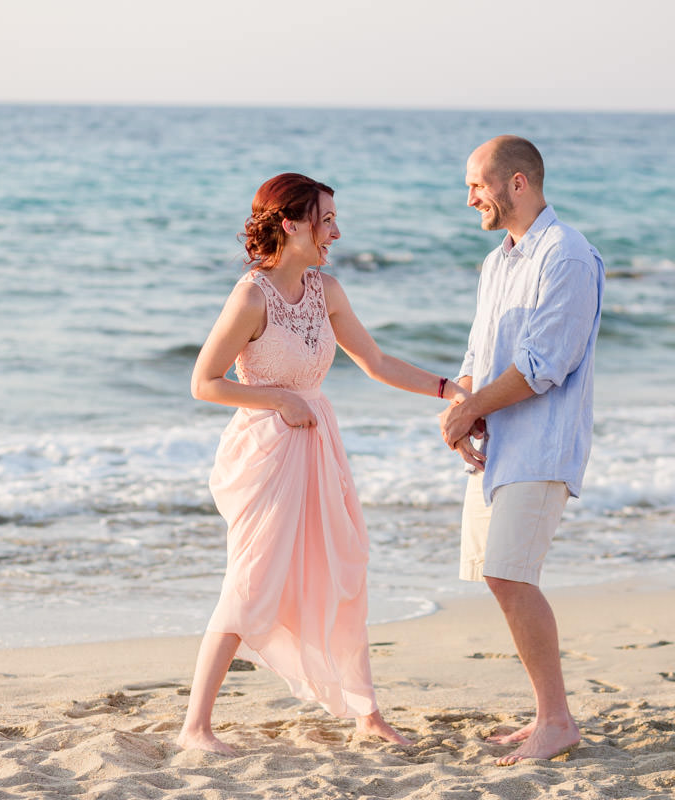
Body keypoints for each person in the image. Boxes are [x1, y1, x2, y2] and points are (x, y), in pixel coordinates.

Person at [179, 172, 468, 754]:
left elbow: (377, 361)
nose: (335, 230)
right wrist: (279, 398)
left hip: (318, 446)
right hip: (265, 451)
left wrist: (449, 388)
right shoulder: (250, 295)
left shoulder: (326, 291)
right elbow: (203, 383)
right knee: (252, 578)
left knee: (343, 564)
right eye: (325, 218)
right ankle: (195, 728)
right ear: (290, 223)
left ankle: (366, 712)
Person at [439, 136, 604, 765]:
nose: (469, 198)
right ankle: (546, 715)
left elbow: (544, 364)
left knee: (512, 573)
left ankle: (558, 722)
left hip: (542, 443)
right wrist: (459, 412)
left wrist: (473, 409)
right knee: (498, 575)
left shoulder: (567, 254)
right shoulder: (496, 262)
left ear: (516, 183)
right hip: (500, 444)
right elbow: (481, 355)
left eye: (476, 185)